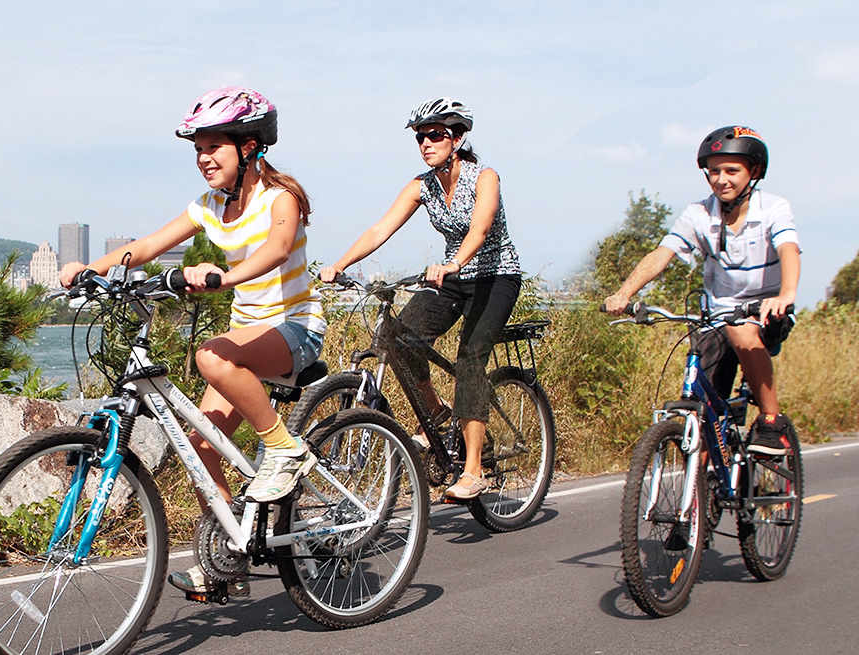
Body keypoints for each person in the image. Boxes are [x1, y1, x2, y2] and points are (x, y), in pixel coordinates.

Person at [60, 86, 326, 593]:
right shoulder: (208, 205)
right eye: (198, 149)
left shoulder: (280, 198)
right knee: (201, 442)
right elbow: (145, 247)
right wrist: (87, 271)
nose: (203, 158)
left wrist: (223, 278)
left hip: (296, 329)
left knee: (209, 354)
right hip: (248, 335)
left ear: (248, 147)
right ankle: (231, 553)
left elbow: (275, 249)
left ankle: (285, 451)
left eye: (214, 147)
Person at [319, 97, 522, 500]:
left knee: (470, 358)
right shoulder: (422, 185)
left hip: (495, 276)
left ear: (458, 138)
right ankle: (438, 415)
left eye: (435, 135)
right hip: (452, 277)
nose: (426, 143)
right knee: (399, 337)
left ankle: (474, 469)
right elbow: (380, 230)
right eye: (420, 138)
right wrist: (339, 264)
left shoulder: (485, 177)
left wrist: (454, 263)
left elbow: (479, 229)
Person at [603, 125, 800, 456]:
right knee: (702, 416)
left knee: (742, 333)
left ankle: (771, 421)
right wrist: (624, 293)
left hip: (765, 312)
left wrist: (786, 295)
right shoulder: (699, 213)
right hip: (717, 313)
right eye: (713, 172)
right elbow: (661, 255)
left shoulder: (774, 208)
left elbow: (789, 250)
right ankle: (700, 496)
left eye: (731, 171)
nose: (721, 179)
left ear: (753, 171)